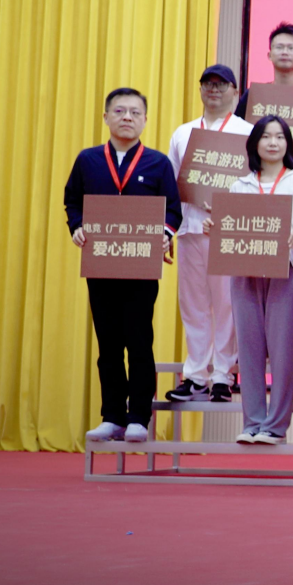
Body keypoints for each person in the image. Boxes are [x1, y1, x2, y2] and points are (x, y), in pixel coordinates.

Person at [66, 88, 183, 445]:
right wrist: (77, 227)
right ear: (106, 117)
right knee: (108, 343)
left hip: (141, 267)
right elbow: (73, 201)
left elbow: (173, 209)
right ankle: (112, 416)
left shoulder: (158, 163)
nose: (127, 117)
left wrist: (165, 234)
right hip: (101, 265)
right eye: (119, 111)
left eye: (135, 112)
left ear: (145, 119)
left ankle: (138, 417)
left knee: (139, 340)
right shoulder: (88, 160)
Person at [227, 116, 293, 445]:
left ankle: (276, 425)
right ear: (254, 143)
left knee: (282, 351)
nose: (272, 143)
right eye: (266, 136)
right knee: (249, 349)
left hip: (286, 271)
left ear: (288, 144)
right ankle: (252, 421)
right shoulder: (240, 185)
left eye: (280, 137)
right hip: (245, 272)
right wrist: (216, 227)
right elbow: (231, 228)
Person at [164, 65, 252, 404]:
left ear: (235, 91)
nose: (214, 89)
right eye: (207, 84)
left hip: (228, 231)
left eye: (221, 84)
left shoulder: (248, 132)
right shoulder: (183, 133)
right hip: (190, 228)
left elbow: (256, 184)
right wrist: (168, 230)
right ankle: (195, 374)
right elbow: (172, 186)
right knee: (193, 305)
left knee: (228, 304)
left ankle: (222, 375)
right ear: (200, 90)